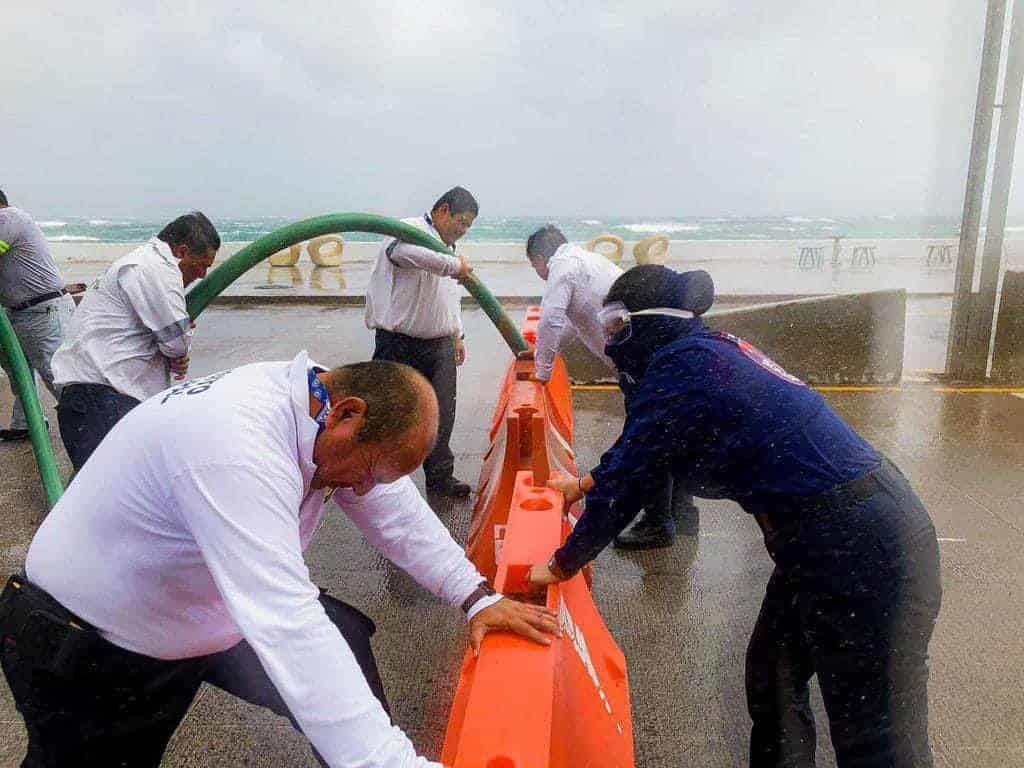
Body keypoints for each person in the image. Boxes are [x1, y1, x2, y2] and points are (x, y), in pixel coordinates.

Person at [1, 353, 558, 767]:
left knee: (342, 637)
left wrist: (476, 595)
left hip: (196, 612)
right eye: (370, 470)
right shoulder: (233, 445)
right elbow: (285, 618)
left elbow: (395, 509)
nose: (364, 489)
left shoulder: (322, 407)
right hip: (89, 642)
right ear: (348, 414)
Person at [528, 264, 942, 768]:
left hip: (859, 544)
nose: (610, 340)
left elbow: (632, 480)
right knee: (773, 673)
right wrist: (582, 484)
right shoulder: (701, 352)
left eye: (617, 326)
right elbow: (643, 447)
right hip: (830, 535)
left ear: (649, 322)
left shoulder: (682, 369)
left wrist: (561, 564)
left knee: (876, 737)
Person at [524, 225, 701, 548]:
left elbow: (551, 318)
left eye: (534, 267)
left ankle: (658, 524)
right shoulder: (588, 263)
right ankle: (682, 514)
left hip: (639, 362)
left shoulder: (562, 267)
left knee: (649, 438)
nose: (537, 273)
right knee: (672, 433)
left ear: (540, 258)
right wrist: (542, 353)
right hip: (657, 353)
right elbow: (575, 325)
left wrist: (542, 370)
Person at [51, 211, 219, 470]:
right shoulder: (153, 269)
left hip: (102, 398)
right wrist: (178, 343)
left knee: (118, 492)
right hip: (101, 398)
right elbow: (176, 343)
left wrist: (175, 339)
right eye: (202, 265)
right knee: (112, 496)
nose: (203, 275)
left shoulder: (143, 263)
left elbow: (171, 338)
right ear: (182, 251)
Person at [365, 186, 477, 497]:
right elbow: (403, 254)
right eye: (462, 222)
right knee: (388, 412)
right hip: (398, 343)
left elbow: (448, 294)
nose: (464, 231)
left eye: (469, 226)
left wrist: (458, 334)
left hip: (439, 345)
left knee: (442, 413)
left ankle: (440, 479)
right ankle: (375, 480)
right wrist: (454, 266)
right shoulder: (407, 231)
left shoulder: (446, 247)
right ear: (443, 211)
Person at [0, 189, 76, 442]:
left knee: (56, 374)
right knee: (18, 369)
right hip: (19, 312)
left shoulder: (10, 218)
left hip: (42, 310)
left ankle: (88, 425)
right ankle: (26, 423)